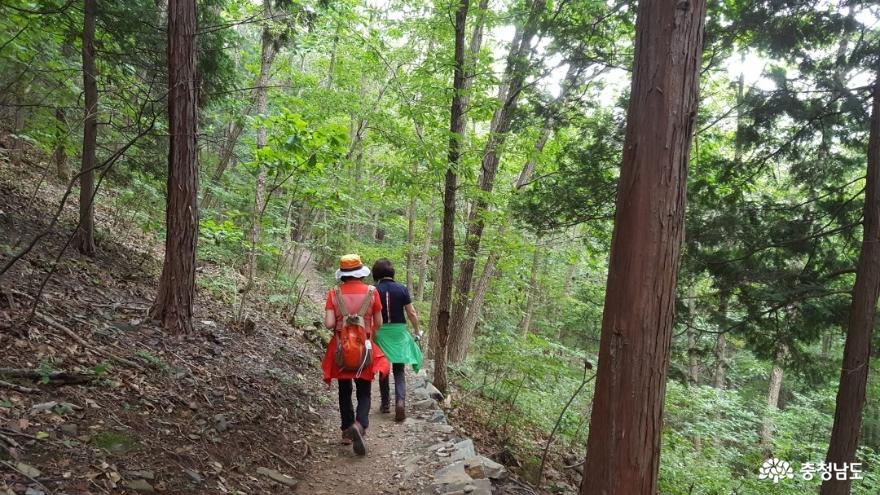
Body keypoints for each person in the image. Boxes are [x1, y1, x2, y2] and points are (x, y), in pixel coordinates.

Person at [322, 254, 390, 455]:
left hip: (341, 349)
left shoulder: (334, 293)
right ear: (360, 272)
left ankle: (346, 430)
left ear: (342, 274)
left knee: (344, 390)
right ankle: (360, 425)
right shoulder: (372, 292)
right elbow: (379, 322)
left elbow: (329, 324)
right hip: (365, 348)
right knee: (364, 390)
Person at [372, 258, 423, 421]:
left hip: (381, 332)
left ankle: (385, 404)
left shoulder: (373, 290)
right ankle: (400, 402)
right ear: (392, 272)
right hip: (399, 333)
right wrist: (417, 331)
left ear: (376, 273)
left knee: (383, 369)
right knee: (399, 370)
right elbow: (411, 313)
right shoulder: (402, 289)